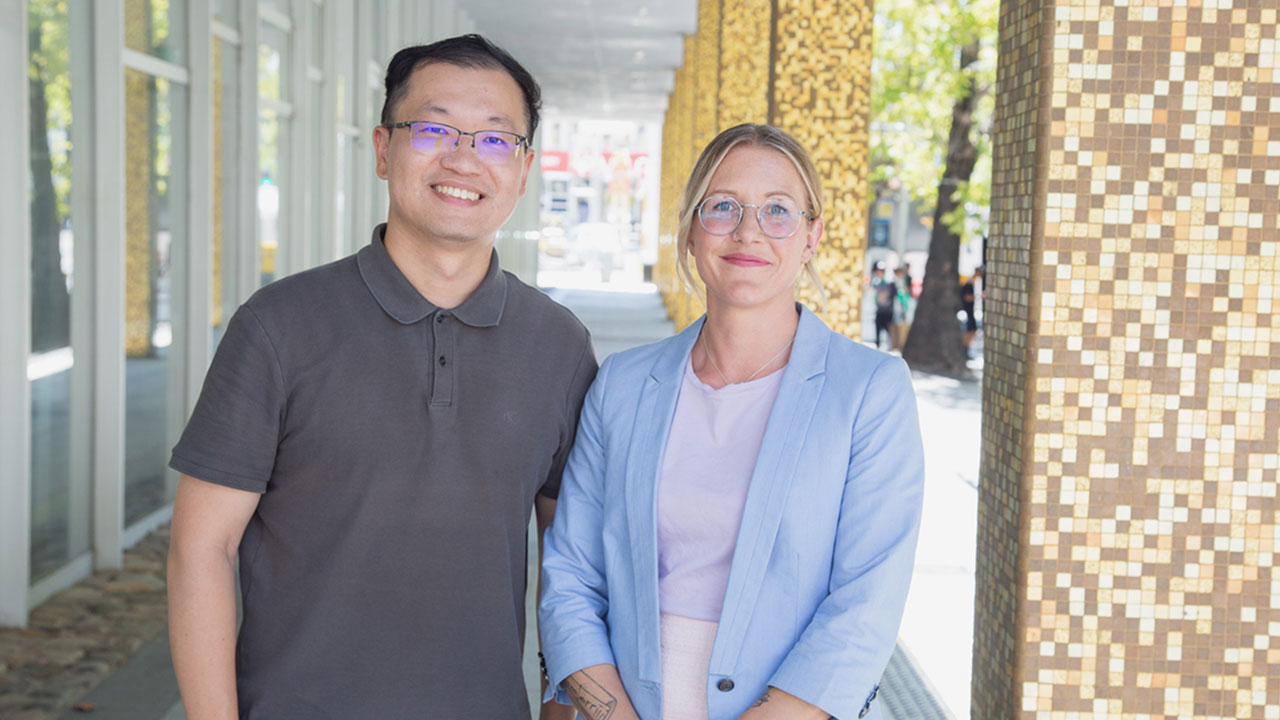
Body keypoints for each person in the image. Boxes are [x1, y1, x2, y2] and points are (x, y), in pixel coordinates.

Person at [166, 34, 592, 719]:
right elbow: (200, 548)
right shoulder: (278, 326)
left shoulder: (559, 345)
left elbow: (572, 566)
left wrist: (563, 708)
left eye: (493, 139)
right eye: (432, 128)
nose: (461, 158)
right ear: (382, 148)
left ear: (523, 169)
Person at [538, 124, 925, 720]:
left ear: (812, 236)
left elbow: (865, 606)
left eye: (778, 211)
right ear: (692, 232)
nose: (748, 230)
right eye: (722, 207)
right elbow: (568, 578)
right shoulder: (621, 384)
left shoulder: (869, 391)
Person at [870, 261, 897, 350]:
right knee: (878, 330)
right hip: (879, 311)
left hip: (888, 311)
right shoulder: (876, 282)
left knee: (888, 329)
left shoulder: (889, 283)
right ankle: (878, 345)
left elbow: (891, 295)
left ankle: (891, 345)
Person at [961, 266, 983, 354]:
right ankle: (965, 347)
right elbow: (967, 297)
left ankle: (966, 347)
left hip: (970, 311)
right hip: (968, 311)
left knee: (972, 330)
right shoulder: (969, 283)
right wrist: (979, 297)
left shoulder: (972, 283)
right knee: (970, 330)